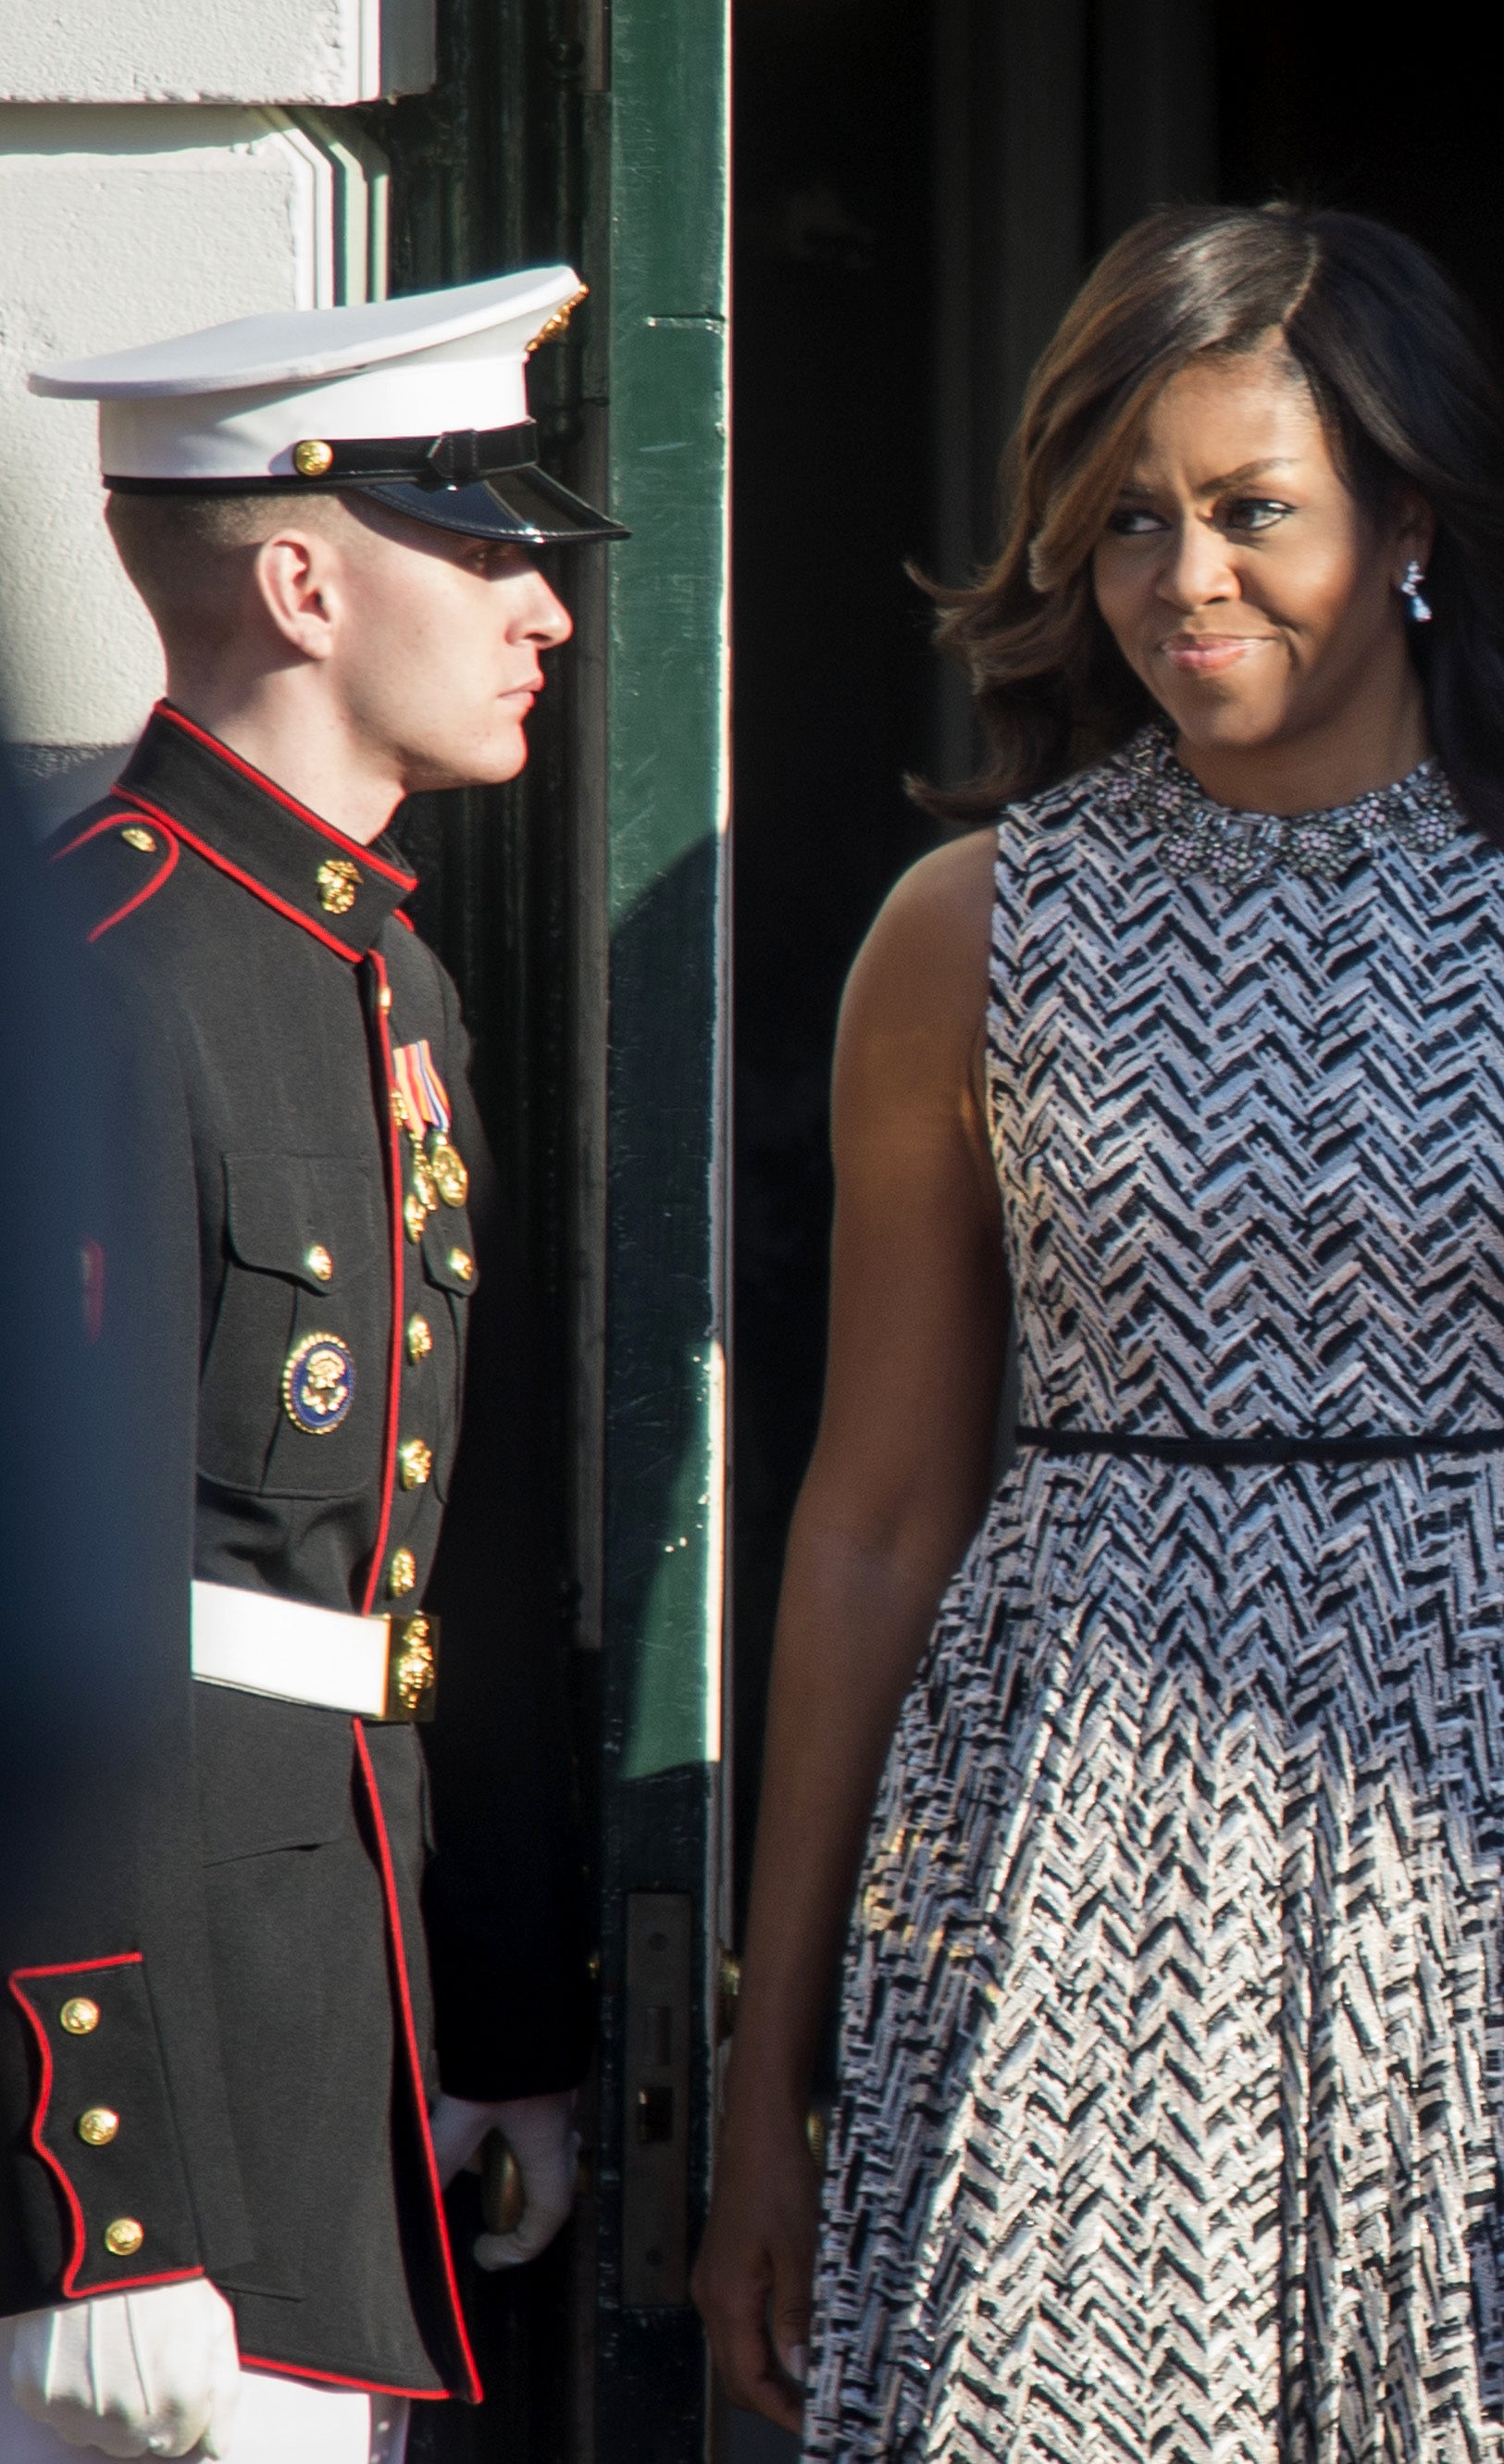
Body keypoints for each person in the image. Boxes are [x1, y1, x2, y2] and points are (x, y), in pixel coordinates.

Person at [690, 204, 1504, 2459]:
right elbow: (871, 1518)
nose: (1182, 577)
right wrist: (768, 2076)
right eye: (1129, 518)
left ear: (1408, 524)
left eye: (1252, 509)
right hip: (1076, 1871)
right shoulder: (967, 927)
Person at [6, 268, 618, 2464]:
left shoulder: (386, 982)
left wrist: (501, 2027)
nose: (545, 606)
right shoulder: (102, 968)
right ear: (301, 580)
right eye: (484, 546)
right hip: (143, 2116)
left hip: (326, 2060)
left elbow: (414, 1590)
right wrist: (90, 2197)